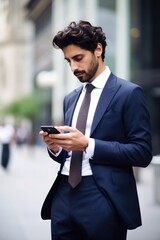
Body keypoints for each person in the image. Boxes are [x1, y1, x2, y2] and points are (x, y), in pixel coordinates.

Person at [39, 20, 152, 240]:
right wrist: (56, 148)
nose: (73, 68)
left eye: (78, 58)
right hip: (62, 196)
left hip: (103, 196)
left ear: (98, 49)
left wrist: (88, 144)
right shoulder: (70, 98)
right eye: (68, 61)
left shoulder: (128, 94)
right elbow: (68, 154)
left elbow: (142, 152)